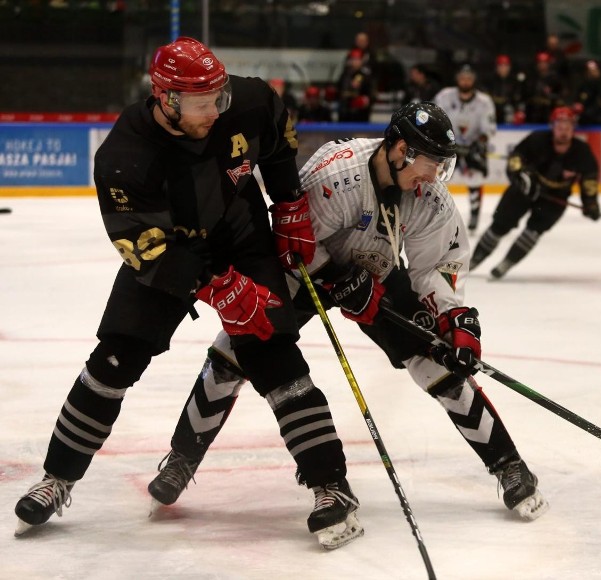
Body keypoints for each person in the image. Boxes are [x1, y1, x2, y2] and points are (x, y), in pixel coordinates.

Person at [13, 36, 364, 549]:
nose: (217, 110)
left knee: (273, 351)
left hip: (241, 237)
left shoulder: (244, 101)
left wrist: (288, 201)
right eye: (203, 103)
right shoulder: (124, 155)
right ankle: (57, 478)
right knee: (115, 357)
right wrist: (216, 289)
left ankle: (332, 485)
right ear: (167, 99)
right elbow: (144, 247)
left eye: (220, 97)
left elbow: (277, 127)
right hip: (172, 254)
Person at [146, 101, 549, 523]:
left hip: (375, 269)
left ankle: (509, 466)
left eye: (440, 167)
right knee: (237, 349)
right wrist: (336, 280)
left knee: (437, 356)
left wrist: (454, 317)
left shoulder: (428, 195)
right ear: (398, 150)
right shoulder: (336, 176)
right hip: (302, 269)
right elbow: (292, 240)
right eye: (429, 164)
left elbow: (436, 267)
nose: (433, 178)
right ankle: (181, 459)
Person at [470, 107, 601, 279]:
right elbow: (515, 160)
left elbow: (589, 179)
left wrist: (590, 203)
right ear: (552, 127)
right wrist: (520, 176)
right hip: (526, 190)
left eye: (568, 127)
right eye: (560, 127)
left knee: (534, 230)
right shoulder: (537, 140)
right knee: (500, 224)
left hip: (555, 198)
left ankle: (507, 262)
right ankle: (475, 259)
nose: (564, 132)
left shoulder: (582, 151)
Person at [434, 64, 497, 233]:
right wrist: (447, 142)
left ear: (473, 80)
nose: (465, 81)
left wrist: (477, 144)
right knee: (437, 179)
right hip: (449, 145)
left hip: (472, 147)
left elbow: (488, 129)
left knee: (475, 179)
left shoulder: (484, 101)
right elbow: (436, 120)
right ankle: (435, 213)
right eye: (463, 78)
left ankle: (475, 213)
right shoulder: (445, 96)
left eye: (469, 78)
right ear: (457, 79)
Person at [483, 54, 525, 125]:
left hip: (509, 117)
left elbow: (519, 101)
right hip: (492, 117)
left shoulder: (515, 82)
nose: (503, 68)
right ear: (496, 67)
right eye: (501, 66)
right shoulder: (489, 82)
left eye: (505, 66)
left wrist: (519, 112)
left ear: (509, 67)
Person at [337, 49, 374, 122]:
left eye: (357, 59)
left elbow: (371, 94)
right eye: (353, 59)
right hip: (345, 111)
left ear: (361, 61)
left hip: (360, 113)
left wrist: (365, 100)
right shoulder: (345, 75)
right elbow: (339, 90)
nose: (355, 62)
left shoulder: (366, 76)